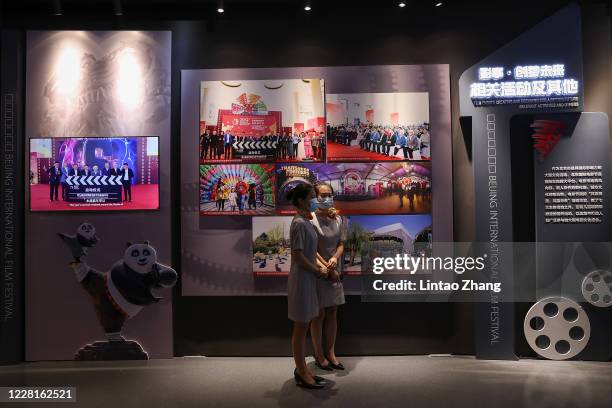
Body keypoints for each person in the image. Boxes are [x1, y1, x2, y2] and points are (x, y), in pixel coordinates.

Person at [286, 183, 329, 389]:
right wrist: (316, 270)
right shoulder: (299, 223)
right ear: (302, 200)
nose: (316, 200)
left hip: (308, 279)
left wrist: (319, 267)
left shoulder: (306, 221)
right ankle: (302, 371)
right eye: (312, 196)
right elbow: (298, 256)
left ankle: (302, 368)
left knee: (304, 324)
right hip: (302, 280)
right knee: (300, 327)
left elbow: (311, 253)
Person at [309, 183, 346, 372]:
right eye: (322, 195)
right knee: (318, 314)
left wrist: (334, 260)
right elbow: (311, 250)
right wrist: (327, 267)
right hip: (318, 271)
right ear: (314, 197)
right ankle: (318, 354)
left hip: (335, 270)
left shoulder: (339, 218)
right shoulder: (310, 219)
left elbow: (341, 244)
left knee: (332, 312)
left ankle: (331, 352)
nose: (326, 198)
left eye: (329, 194)